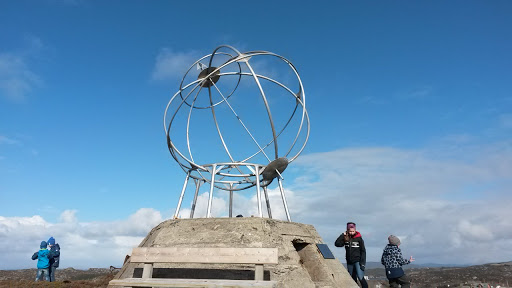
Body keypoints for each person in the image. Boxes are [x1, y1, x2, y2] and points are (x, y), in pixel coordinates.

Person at [335, 222, 368, 288]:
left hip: (358, 261)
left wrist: (363, 263)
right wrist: (342, 235)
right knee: (352, 279)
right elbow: (337, 244)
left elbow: (363, 251)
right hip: (349, 262)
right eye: (350, 231)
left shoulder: (359, 239)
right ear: (347, 230)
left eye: (353, 231)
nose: (352, 232)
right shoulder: (346, 238)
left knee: (360, 277)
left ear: (355, 230)